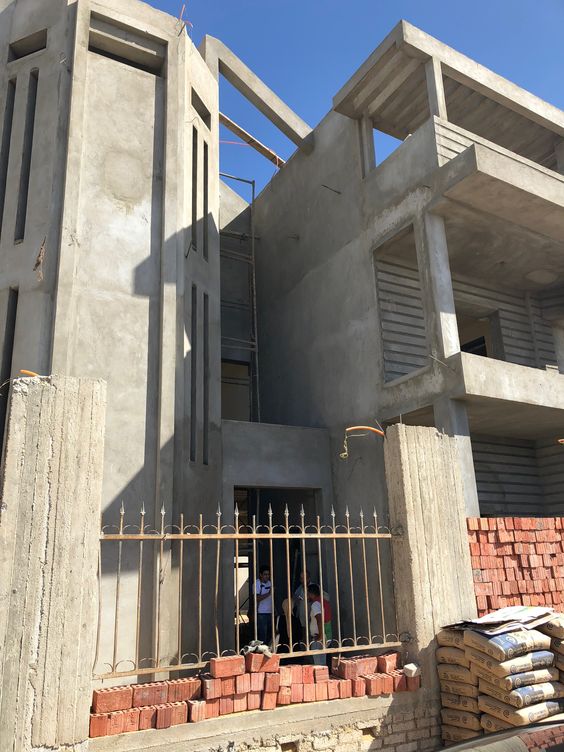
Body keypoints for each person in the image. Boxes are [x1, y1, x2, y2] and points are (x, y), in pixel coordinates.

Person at [307, 583, 332, 665]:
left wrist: (320, 636)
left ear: (311, 594)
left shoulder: (315, 604)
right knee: (323, 663)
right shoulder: (324, 602)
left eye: (308, 594)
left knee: (319, 664)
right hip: (326, 635)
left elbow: (319, 619)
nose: (307, 596)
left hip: (319, 637)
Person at [254, 565, 273, 645]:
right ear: (260, 575)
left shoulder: (269, 583)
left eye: (268, 574)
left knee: (270, 634)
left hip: (270, 612)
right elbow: (257, 598)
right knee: (262, 635)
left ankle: (267, 649)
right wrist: (268, 594)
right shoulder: (257, 583)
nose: (267, 576)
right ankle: (261, 650)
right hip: (261, 613)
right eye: (265, 574)